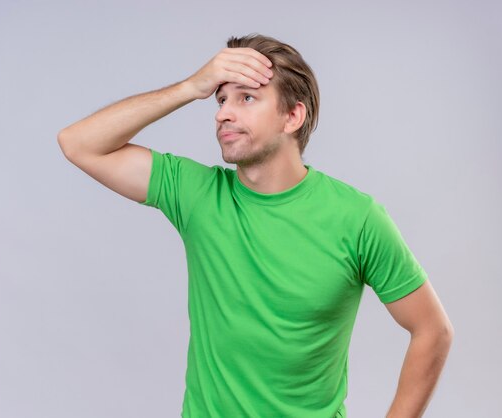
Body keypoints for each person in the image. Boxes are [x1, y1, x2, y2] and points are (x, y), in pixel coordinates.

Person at [57, 33, 454, 418]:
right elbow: (78, 142)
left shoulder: (357, 218)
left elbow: (432, 330)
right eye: (221, 99)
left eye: (246, 98)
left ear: (293, 116)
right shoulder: (197, 193)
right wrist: (190, 87)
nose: (223, 112)